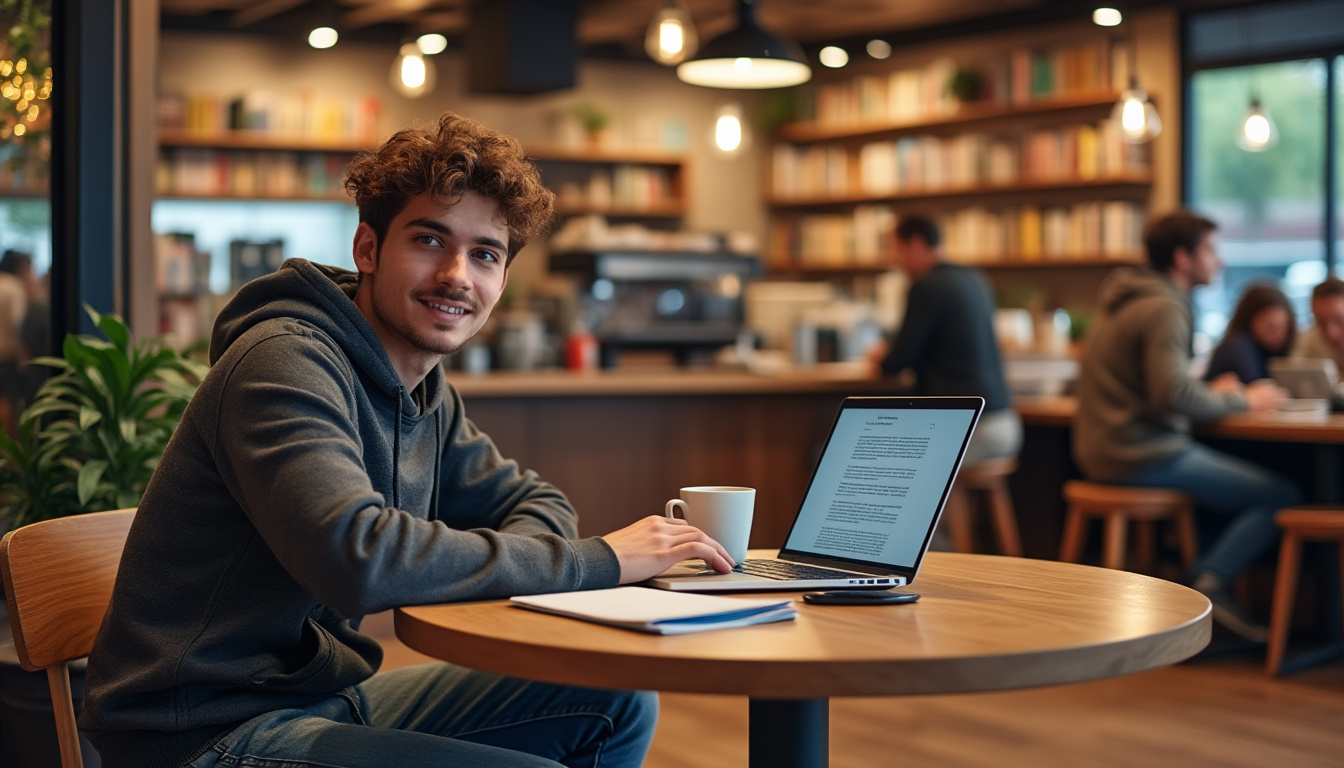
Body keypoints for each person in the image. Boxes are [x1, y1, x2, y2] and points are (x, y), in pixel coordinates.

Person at [80, 112, 734, 768]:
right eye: (429, 240)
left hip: (317, 699)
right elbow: (358, 559)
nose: (457, 275)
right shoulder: (284, 361)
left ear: (503, 278)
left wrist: (540, 553)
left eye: (485, 254)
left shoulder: (420, 388)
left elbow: (535, 502)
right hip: (197, 732)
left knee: (616, 699)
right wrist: (600, 561)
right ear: (368, 248)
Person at [1073, 210, 1301, 642]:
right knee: (1281, 495)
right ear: (1182, 258)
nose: (1220, 261)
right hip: (1143, 453)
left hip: (1102, 449)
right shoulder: (1164, 306)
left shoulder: (1127, 297)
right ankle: (1209, 581)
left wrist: (1208, 389)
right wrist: (1241, 399)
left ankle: (1197, 586)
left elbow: (1160, 385)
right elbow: (1172, 396)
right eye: (1211, 250)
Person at [868, 213, 1021, 466]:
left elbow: (897, 361)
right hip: (1004, 422)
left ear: (916, 244)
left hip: (970, 430)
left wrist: (880, 356)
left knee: (883, 463)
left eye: (897, 250)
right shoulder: (974, 278)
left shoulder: (927, 286)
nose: (896, 261)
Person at [1202, 282, 1295, 383]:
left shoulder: (1268, 351)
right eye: (1270, 327)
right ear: (1249, 321)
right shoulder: (1238, 346)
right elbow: (1259, 389)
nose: (1279, 335)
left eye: (1284, 327)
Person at [1292, 276, 1344, 374]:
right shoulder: (1313, 338)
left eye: (1338, 320)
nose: (1331, 333)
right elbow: (1294, 373)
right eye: (1321, 322)